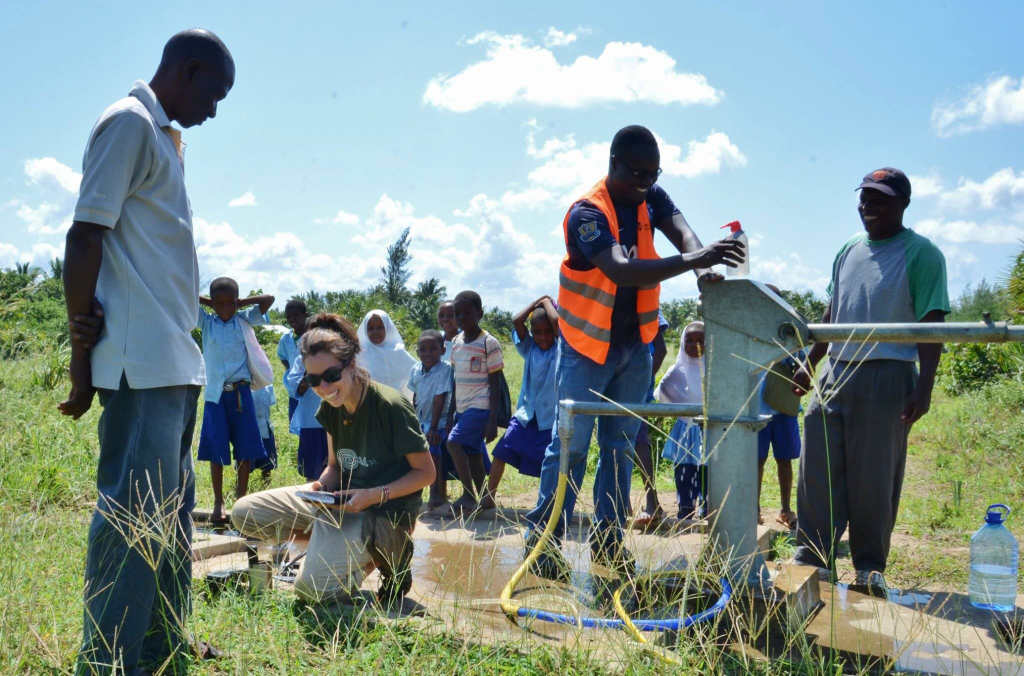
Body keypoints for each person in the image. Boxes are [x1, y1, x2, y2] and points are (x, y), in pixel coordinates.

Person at [58, 28, 234, 674]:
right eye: (214, 93)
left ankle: (161, 648)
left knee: (168, 527)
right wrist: (81, 359)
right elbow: (85, 236)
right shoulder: (129, 123)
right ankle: (107, 662)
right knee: (131, 531)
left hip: (175, 365)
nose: (214, 110)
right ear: (186, 72)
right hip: (141, 368)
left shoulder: (166, 140)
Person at [524, 125, 744, 580]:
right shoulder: (587, 213)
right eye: (639, 172)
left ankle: (607, 540)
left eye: (654, 172)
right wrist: (695, 262)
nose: (647, 181)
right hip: (586, 349)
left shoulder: (652, 195)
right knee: (571, 448)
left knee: (620, 447)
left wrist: (702, 260)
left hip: (634, 348)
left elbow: (682, 232)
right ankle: (542, 544)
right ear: (613, 163)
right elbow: (620, 271)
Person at [792, 168, 949, 592]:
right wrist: (811, 361)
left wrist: (925, 386)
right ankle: (814, 558)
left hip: (887, 371)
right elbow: (832, 310)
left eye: (879, 199)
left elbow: (932, 321)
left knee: (873, 477)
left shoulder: (921, 254)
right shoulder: (848, 249)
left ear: (903, 203)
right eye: (864, 197)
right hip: (836, 370)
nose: (868, 206)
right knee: (818, 470)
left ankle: (868, 568)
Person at [231, 313, 435, 609]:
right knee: (243, 512)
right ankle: (333, 549)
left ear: (351, 365)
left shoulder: (390, 405)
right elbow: (335, 466)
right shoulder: (330, 408)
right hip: (339, 502)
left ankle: (385, 554)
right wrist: (320, 486)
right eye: (313, 380)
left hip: (383, 510)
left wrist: (373, 495)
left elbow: (426, 473)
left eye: (330, 376)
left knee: (310, 592)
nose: (324, 387)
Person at [196, 278, 274, 523]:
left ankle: (241, 501)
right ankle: (219, 502)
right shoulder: (207, 323)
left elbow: (268, 300)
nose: (226, 308)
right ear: (212, 304)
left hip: (241, 395)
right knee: (216, 449)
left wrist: (241, 302)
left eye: (231, 303)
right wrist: (208, 302)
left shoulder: (244, 320)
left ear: (237, 302)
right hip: (216, 396)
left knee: (246, 449)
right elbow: (186, 297)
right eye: (219, 303)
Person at [479, 296, 559, 511]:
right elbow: (517, 321)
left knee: (550, 463)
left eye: (547, 332)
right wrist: (539, 302)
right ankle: (489, 495)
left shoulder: (560, 349)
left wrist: (548, 305)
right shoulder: (530, 348)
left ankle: (547, 503)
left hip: (549, 419)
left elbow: (558, 324)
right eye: (537, 332)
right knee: (501, 451)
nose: (543, 337)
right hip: (526, 415)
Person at [447, 290, 504, 516]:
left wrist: (492, 420)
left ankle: (468, 494)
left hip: (480, 406)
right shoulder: (456, 342)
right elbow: (455, 379)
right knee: (472, 455)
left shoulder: (488, 343)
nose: (461, 318)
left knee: (453, 443)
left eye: (467, 313)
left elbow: (496, 383)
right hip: (461, 407)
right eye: (457, 314)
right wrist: (452, 412)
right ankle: (485, 499)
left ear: (480, 313)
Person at [757, 284, 802, 530]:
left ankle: (785, 509)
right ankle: (753, 509)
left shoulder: (789, 330)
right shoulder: (748, 326)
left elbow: (801, 360)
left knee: (784, 459)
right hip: (757, 405)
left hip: (783, 405)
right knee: (758, 459)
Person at [655, 322, 707, 520]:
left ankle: (706, 506)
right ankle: (685, 506)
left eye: (700, 341)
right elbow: (663, 389)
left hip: (709, 429)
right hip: (685, 429)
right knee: (684, 470)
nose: (695, 345)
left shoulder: (714, 370)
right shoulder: (677, 370)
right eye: (690, 341)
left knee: (707, 470)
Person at [407, 329, 455, 510]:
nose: (428, 354)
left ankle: (434, 492)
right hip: (422, 421)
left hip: (440, 422)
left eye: (433, 349)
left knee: (433, 450)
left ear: (443, 350)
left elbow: (440, 398)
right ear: (417, 352)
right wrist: (413, 419)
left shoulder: (445, 369)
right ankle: (414, 493)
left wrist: (433, 428)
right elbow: (415, 396)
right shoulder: (415, 369)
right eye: (423, 350)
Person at [632, 311, 670, 528]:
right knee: (616, 442)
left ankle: (652, 502)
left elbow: (661, 348)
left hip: (637, 381)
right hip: (612, 376)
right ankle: (622, 504)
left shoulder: (647, 303)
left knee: (637, 442)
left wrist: (644, 380)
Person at [285, 353, 330, 481]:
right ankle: (312, 495)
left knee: (335, 467)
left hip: (335, 421)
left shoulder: (335, 357)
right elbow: (297, 390)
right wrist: (308, 375)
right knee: (312, 469)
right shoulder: (301, 360)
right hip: (311, 420)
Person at [357, 310, 417, 399]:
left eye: (380, 327)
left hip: (396, 402)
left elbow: (415, 371)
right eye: (371, 328)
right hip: (370, 402)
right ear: (365, 330)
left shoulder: (398, 350)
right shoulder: (360, 353)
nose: (375, 331)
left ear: (387, 327)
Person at [277, 298, 309, 422]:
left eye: (296, 315)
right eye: (289, 317)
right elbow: (282, 357)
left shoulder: (312, 336)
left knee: (311, 418)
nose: (292, 319)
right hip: (294, 384)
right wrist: (292, 370)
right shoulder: (285, 339)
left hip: (312, 383)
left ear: (305, 315)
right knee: (297, 420)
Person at [251, 379, 278, 483]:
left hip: (266, 427)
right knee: (247, 459)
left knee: (267, 461)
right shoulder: (245, 387)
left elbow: (270, 403)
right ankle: (240, 484)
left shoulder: (268, 386)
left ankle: (267, 482)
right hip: (250, 430)